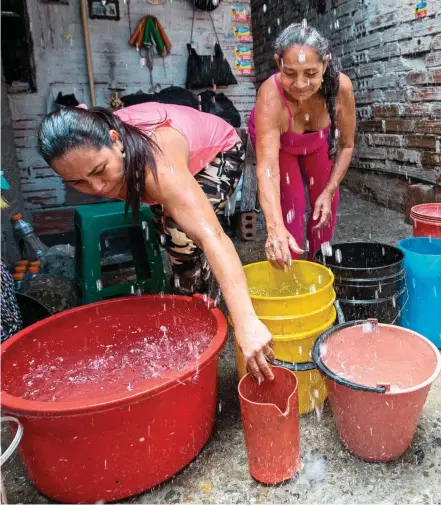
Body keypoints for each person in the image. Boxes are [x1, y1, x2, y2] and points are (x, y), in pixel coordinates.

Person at [37, 102, 274, 382]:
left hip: (218, 153)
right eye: (77, 182)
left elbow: (214, 238)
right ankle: (192, 301)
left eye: (100, 170)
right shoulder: (101, 146)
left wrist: (246, 323)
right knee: (174, 237)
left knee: (183, 237)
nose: (97, 188)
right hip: (165, 169)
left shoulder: (159, 167)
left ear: (116, 141)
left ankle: (200, 307)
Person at [249, 22, 356, 269]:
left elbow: (347, 146)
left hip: (315, 143)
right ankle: (292, 279)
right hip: (280, 148)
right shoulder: (269, 96)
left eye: (310, 73)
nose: (299, 84)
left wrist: (328, 191)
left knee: (324, 214)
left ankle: (318, 271)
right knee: (290, 212)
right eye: (289, 73)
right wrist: (274, 228)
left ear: (325, 64)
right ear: (278, 63)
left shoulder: (341, 89)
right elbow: (267, 169)